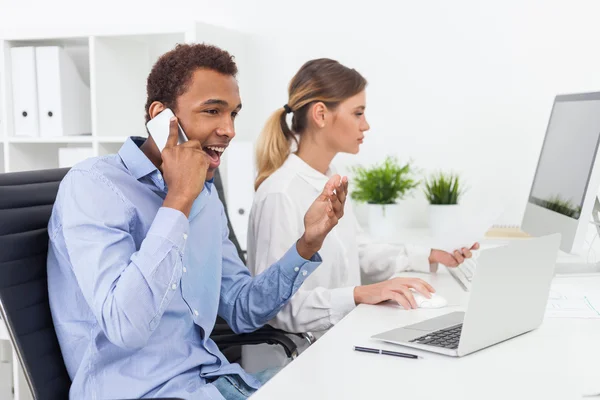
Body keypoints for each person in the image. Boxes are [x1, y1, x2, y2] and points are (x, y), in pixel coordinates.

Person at [47, 44, 348, 400]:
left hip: (214, 382)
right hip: (139, 392)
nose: (229, 129)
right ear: (161, 117)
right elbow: (125, 326)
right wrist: (177, 202)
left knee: (345, 381)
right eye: (212, 111)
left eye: (233, 114)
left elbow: (241, 309)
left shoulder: (204, 196)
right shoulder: (93, 187)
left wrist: (306, 244)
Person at [243, 58, 478, 371]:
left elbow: (358, 251)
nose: (365, 125)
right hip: (296, 363)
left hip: (338, 340)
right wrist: (359, 294)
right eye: (358, 113)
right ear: (321, 114)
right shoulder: (281, 193)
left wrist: (431, 255)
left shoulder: (330, 175)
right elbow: (279, 309)